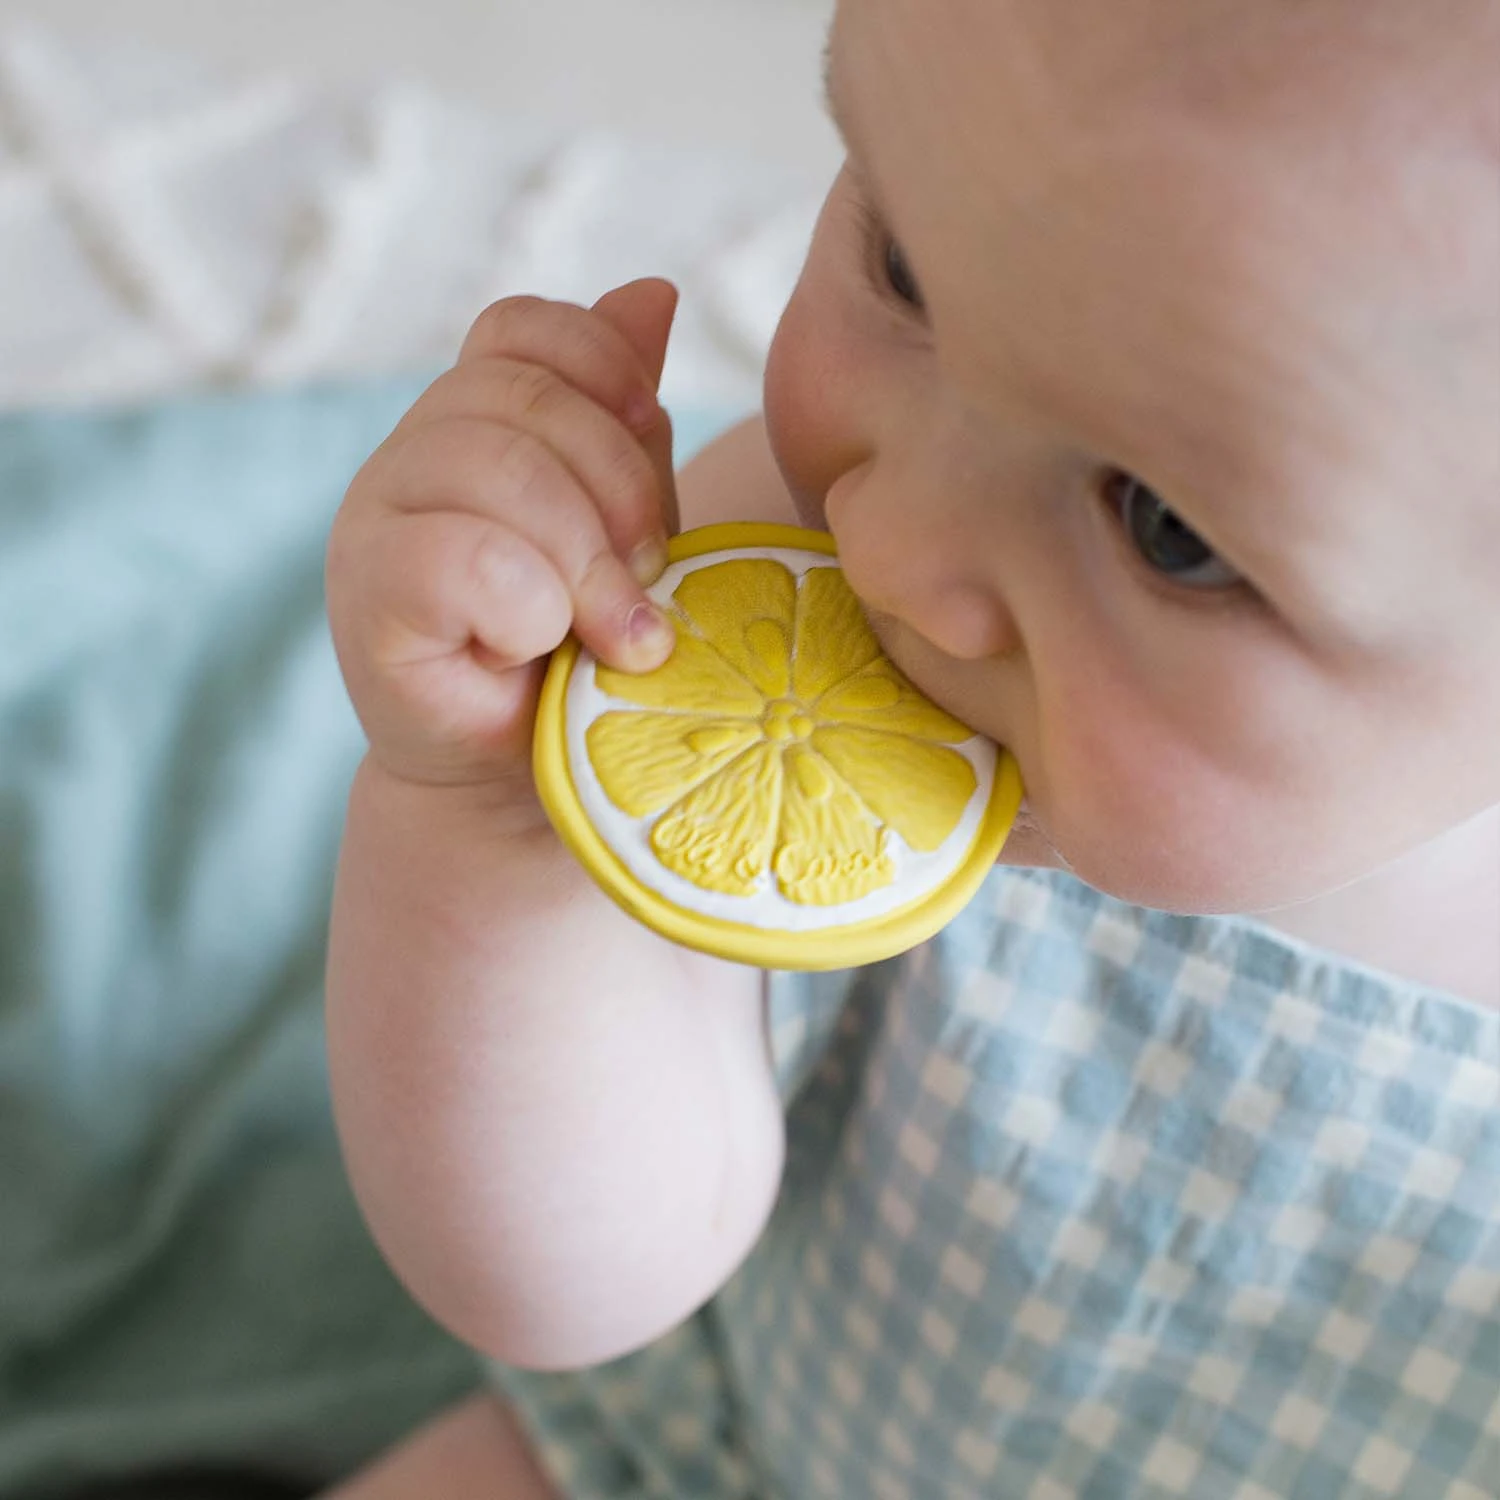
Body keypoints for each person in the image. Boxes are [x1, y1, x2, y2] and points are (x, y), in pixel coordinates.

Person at [318, 0, 1500, 1492]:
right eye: (903, 269)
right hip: (730, 1448)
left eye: (1169, 531)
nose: (886, 541)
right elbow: (576, 1287)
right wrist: (503, 823)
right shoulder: (785, 588)